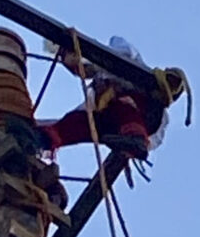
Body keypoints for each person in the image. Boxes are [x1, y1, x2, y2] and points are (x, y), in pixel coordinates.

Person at [38, 36, 189, 161]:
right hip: (110, 122)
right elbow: (89, 69)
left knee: (122, 105)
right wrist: (68, 55)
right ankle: (45, 138)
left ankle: (134, 138)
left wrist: (137, 142)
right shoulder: (112, 77)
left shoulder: (140, 80)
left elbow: (114, 57)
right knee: (78, 122)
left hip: (133, 122)